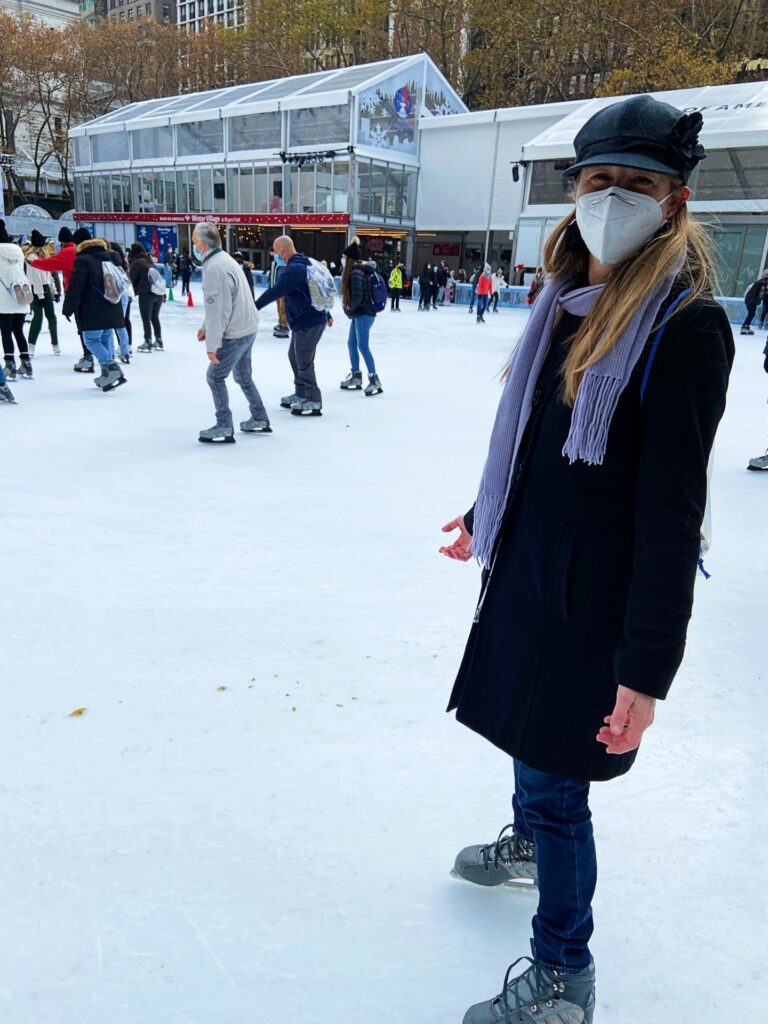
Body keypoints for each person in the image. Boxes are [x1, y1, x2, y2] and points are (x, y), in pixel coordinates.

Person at [439, 95, 734, 1024]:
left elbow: (670, 512)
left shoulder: (683, 326)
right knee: (532, 753)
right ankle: (528, 843)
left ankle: (565, 971)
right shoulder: (567, 297)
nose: (611, 198)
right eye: (598, 180)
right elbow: (540, 439)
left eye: (636, 184)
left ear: (674, 202)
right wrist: (483, 512)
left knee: (559, 784)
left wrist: (645, 670)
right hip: (532, 575)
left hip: (595, 607)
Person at [193, 223, 269, 443]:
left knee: (214, 377)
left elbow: (219, 310)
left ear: (202, 244)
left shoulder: (215, 268)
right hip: (248, 327)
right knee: (243, 376)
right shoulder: (225, 259)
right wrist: (205, 327)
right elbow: (225, 301)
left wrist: (212, 346)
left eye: (195, 242)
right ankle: (260, 417)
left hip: (235, 333)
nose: (194, 247)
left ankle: (224, 426)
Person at [255, 234, 332, 417]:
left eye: (275, 250)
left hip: (309, 321)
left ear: (283, 250)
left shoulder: (294, 269)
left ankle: (313, 400)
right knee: (294, 356)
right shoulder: (305, 263)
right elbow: (313, 289)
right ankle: (301, 393)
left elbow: (275, 291)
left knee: (304, 361)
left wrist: (253, 307)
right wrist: (326, 312)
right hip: (306, 319)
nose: (274, 254)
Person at [62, 231, 128, 392]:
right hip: (113, 304)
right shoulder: (112, 257)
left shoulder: (83, 260)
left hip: (93, 308)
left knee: (90, 340)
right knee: (105, 336)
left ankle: (110, 367)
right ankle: (106, 373)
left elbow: (76, 286)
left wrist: (68, 308)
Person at [28, 226, 91, 371]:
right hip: (93, 292)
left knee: (82, 326)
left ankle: (88, 356)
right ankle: (104, 355)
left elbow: (50, 265)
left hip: (75, 292)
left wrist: (33, 263)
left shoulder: (68, 252)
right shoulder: (83, 251)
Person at [339, 239, 382, 397]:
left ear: (349, 258)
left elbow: (357, 296)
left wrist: (349, 306)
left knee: (363, 346)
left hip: (364, 313)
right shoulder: (355, 271)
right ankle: (356, 376)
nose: (342, 259)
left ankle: (374, 379)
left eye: (344, 257)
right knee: (352, 344)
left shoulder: (356, 273)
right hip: (359, 313)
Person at [0, 221, 33, 381]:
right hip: (20, 296)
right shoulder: (18, 251)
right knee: (18, 331)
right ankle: (26, 363)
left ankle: (10, 364)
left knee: (5, 332)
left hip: (3, 300)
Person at [24, 229, 59, 355]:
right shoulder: (31, 258)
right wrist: (41, 294)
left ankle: (55, 343)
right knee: (38, 318)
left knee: (51, 317)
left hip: (45, 289)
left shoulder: (43, 257)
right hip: (37, 290)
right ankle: (32, 345)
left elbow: (49, 276)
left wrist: (54, 291)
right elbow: (36, 278)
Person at [128, 243, 164, 352]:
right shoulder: (150, 262)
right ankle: (159, 340)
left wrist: (128, 292)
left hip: (146, 294)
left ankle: (147, 341)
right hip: (158, 293)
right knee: (154, 317)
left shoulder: (137, 262)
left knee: (146, 319)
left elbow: (131, 279)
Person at [109, 241, 132, 363]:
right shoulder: (123, 264)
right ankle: (125, 351)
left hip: (112, 294)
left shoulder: (109, 263)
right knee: (120, 324)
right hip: (123, 295)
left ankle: (110, 352)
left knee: (108, 325)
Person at [269, 250, 290, 339]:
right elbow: (273, 276)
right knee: (279, 307)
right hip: (277, 288)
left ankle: (284, 324)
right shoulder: (275, 264)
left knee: (283, 308)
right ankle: (281, 322)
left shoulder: (284, 265)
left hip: (283, 290)